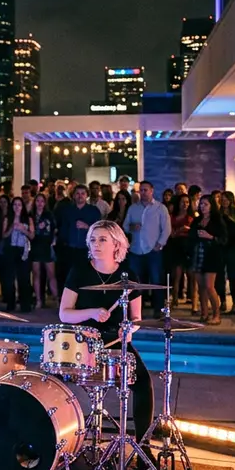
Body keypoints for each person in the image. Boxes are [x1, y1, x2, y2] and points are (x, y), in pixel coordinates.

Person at [58, 220, 154, 440]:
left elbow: (136, 318)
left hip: (115, 340)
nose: (96, 244)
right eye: (92, 239)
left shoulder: (128, 276)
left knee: (143, 384)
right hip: (83, 341)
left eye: (102, 239)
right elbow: (64, 313)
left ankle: (143, 446)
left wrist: (130, 330)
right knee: (52, 380)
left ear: (117, 245)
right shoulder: (79, 271)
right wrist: (91, 312)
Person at [124, 181, 170, 314]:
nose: (143, 193)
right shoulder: (133, 208)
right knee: (136, 282)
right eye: (141, 191)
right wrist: (132, 227)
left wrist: (160, 244)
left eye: (145, 190)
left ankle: (158, 310)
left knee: (156, 281)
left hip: (153, 250)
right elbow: (125, 226)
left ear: (152, 191)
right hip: (136, 250)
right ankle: (137, 311)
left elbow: (166, 229)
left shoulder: (160, 208)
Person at [55, 184, 103, 292]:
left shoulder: (93, 210)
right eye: (77, 193)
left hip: (86, 249)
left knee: (86, 276)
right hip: (69, 250)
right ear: (73, 196)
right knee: (68, 276)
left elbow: (100, 229)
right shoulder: (66, 211)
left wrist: (87, 226)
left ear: (87, 195)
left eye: (82, 193)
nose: (80, 196)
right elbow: (62, 229)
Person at [189, 195, 228, 324]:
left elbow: (224, 239)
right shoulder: (197, 220)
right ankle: (204, 312)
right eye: (201, 204)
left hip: (212, 256)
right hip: (198, 254)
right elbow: (191, 236)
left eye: (205, 204)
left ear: (212, 205)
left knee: (209, 286)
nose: (202, 207)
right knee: (201, 287)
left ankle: (216, 314)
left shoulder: (217, 220)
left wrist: (210, 237)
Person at [1, 196, 34, 313]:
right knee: (9, 278)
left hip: (23, 250)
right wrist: (12, 227)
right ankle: (11, 303)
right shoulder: (7, 218)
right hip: (11, 250)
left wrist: (23, 229)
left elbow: (32, 235)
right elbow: (4, 235)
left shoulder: (28, 218)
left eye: (19, 205)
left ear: (22, 206)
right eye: (15, 205)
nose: (17, 207)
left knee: (24, 278)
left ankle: (25, 305)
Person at [29, 192, 58, 309]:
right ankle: (38, 300)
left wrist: (53, 241)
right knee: (36, 274)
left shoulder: (49, 215)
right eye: (38, 201)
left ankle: (56, 299)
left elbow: (54, 229)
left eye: (42, 201)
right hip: (35, 246)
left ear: (45, 203)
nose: (40, 203)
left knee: (51, 274)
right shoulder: (31, 215)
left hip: (47, 246)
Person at [166, 194, 194, 308]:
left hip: (188, 247)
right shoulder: (172, 216)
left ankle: (192, 297)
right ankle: (175, 298)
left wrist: (185, 230)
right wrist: (181, 230)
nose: (185, 204)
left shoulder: (192, 217)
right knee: (176, 275)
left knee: (191, 275)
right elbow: (171, 234)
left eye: (187, 202)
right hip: (176, 246)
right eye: (183, 202)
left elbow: (194, 232)